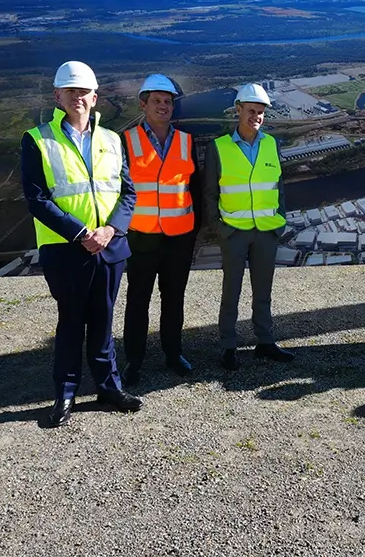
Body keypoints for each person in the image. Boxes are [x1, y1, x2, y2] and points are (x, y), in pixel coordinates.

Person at [20, 61, 143, 428]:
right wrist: (81, 234)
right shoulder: (37, 139)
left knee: (104, 321)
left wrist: (110, 230)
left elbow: (128, 193)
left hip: (109, 248)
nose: (78, 97)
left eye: (83, 91)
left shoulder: (112, 139)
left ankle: (109, 388)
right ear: (57, 96)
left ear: (95, 97)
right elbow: (37, 199)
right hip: (65, 250)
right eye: (70, 91)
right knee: (71, 322)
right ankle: (66, 392)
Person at [204, 83, 294, 371]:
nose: (256, 116)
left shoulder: (271, 144)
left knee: (263, 291)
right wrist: (220, 229)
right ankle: (228, 346)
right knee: (231, 291)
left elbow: (278, 187)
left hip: (266, 231)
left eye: (260, 112)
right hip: (234, 232)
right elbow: (209, 194)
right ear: (238, 110)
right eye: (251, 110)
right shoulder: (219, 147)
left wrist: (280, 220)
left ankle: (265, 342)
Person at [120, 74, 203, 386]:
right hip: (141, 237)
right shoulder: (126, 141)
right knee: (137, 301)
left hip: (179, 238)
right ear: (143, 105)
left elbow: (194, 188)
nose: (163, 106)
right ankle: (134, 361)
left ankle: (173, 354)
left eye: (167, 101)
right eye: (156, 100)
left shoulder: (186, 141)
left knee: (174, 299)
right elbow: (119, 190)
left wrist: (194, 230)